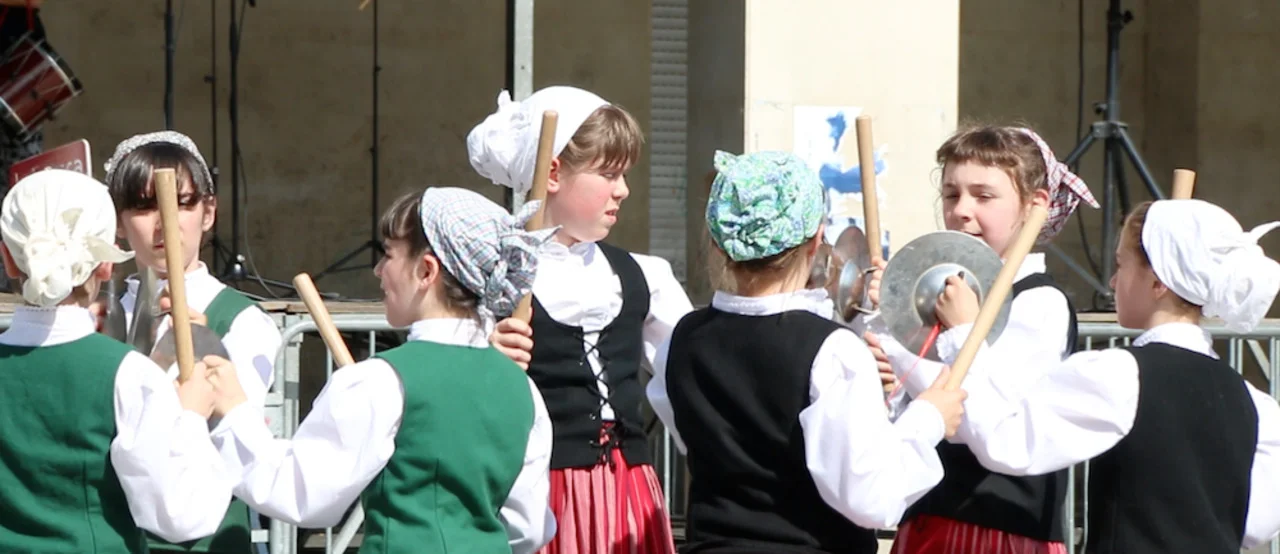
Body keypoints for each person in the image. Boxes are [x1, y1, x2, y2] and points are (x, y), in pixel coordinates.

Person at [647, 150, 966, 553]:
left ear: (717, 241)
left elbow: (698, 439)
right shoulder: (831, 350)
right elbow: (869, 497)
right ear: (817, 239)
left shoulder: (683, 338)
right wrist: (928, 417)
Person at [206, 187, 556, 553]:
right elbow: (529, 528)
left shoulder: (382, 380)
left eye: (388, 254)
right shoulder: (522, 388)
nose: (378, 270)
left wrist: (232, 411)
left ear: (426, 270)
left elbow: (301, 491)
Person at [949, 198, 1280, 553]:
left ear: (1158, 282)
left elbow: (1009, 443)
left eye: (1121, 264)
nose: (1111, 280)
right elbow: (1255, 523)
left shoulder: (1119, 375)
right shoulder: (1255, 402)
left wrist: (963, 333)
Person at [858, 125, 1098, 554]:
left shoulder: (1038, 302)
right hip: (929, 518)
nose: (961, 211)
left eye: (984, 196)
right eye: (951, 195)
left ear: (1033, 205)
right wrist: (883, 370)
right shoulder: (940, 299)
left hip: (998, 530)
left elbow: (983, 418)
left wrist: (897, 337)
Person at [474, 86, 693, 554]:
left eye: (624, 174)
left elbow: (690, 381)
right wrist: (486, 360)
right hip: (536, 495)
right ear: (552, 173)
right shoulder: (494, 277)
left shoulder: (642, 276)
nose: (623, 190)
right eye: (608, 174)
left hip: (628, 493)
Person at [0, 168, 236, 552]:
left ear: (8, 259)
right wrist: (191, 418)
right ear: (105, 264)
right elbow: (180, 514)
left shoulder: (127, 371)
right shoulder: (127, 372)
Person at [103, 130, 282, 554]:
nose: (164, 221)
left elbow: (233, 438)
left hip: (206, 538)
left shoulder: (243, 321)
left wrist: (198, 352)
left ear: (208, 212)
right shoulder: (101, 315)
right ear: (118, 223)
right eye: (143, 206)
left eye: (182, 204)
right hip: (112, 535)